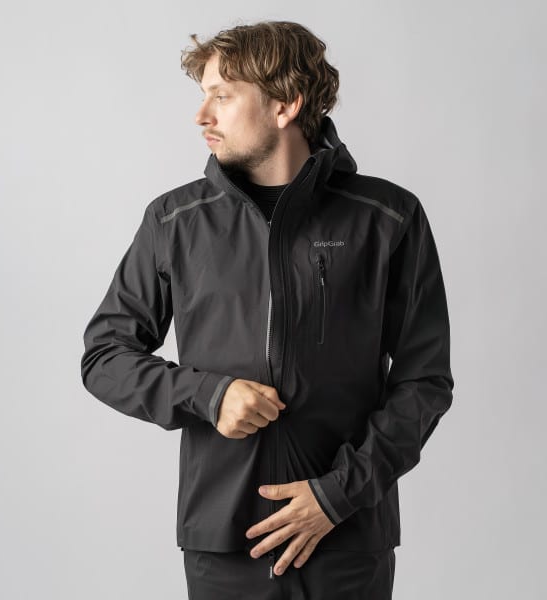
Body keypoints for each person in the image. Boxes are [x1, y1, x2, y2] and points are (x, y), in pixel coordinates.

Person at [80, 20, 454, 600]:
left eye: (222, 96)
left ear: (285, 104)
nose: (202, 116)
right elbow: (105, 357)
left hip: (346, 540)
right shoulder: (175, 221)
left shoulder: (386, 217)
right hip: (225, 538)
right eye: (203, 96)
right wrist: (208, 395)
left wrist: (338, 495)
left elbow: (424, 381)